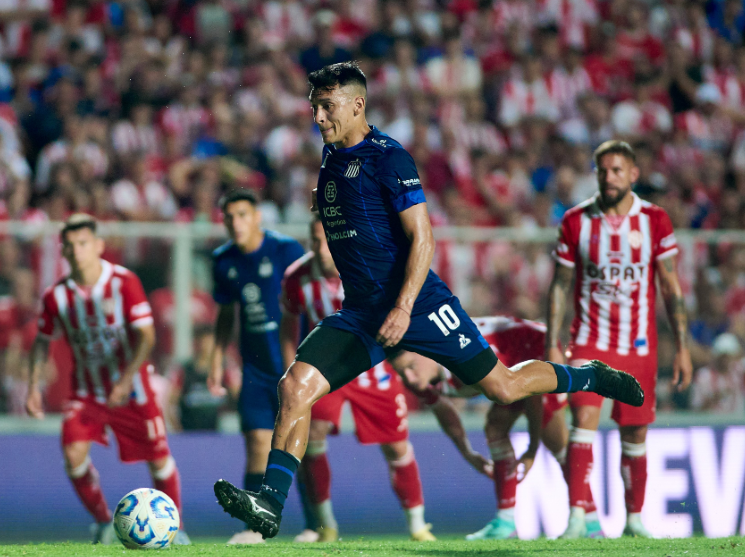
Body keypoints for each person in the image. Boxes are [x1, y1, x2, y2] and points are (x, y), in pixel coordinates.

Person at [213, 62, 644, 540]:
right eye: (314, 107)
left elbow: (424, 237)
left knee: (502, 387)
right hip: (360, 311)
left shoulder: (390, 157)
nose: (318, 117)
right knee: (295, 387)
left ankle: (590, 375)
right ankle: (270, 503)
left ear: (358, 105)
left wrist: (402, 307)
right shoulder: (332, 156)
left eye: (327, 106)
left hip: (416, 304)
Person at [282, 218, 476, 542]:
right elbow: (290, 323)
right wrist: (293, 365)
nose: (319, 249)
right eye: (313, 242)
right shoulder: (297, 278)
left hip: (373, 367)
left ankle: (418, 525)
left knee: (396, 444)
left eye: (324, 242)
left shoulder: (362, 262)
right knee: (313, 434)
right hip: (328, 368)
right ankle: (325, 525)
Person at [546, 140, 693, 539]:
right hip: (589, 340)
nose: (609, 177)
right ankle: (577, 518)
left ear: (633, 174)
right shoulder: (576, 220)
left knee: (636, 433)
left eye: (616, 170)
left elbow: (670, 285)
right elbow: (559, 285)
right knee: (583, 421)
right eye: (602, 170)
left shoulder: (655, 221)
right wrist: (552, 341)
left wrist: (681, 346)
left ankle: (634, 520)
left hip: (637, 346)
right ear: (595, 174)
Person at [25, 214, 188, 546]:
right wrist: (32, 387)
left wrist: (127, 379)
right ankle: (102, 522)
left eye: (83, 243)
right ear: (64, 252)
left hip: (133, 390)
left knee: (158, 458)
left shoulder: (123, 282)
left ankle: (176, 528)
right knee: (72, 453)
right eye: (69, 246)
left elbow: (146, 335)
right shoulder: (56, 296)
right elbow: (42, 340)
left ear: (99, 246)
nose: (77, 251)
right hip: (87, 393)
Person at [393, 316, 574, 540]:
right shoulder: (421, 377)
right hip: (510, 361)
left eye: (410, 367)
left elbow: (533, 397)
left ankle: (587, 516)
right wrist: (468, 453)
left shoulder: (464, 358)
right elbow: (445, 412)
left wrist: (532, 448)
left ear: (425, 351)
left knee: (554, 439)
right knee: (495, 429)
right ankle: (506, 522)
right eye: (402, 373)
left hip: (535, 345)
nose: (408, 378)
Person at [209, 189, 305, 544]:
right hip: (255, 369)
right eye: (229, 217)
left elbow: (307, 302)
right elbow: (225, 314)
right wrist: (217, 359)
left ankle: (315, 525)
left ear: (257, 217)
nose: (236, 223)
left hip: (294, 366)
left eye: (243, 215)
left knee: (299, 443)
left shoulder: (286, 251)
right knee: (256, 444)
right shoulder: (223, 261)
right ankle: (253, 529)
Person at [690, 333, 745, 414]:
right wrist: (715, 397)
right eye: (722, 356)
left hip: (737, 422)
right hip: (711, 422)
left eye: (728, 356)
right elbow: (696, 408)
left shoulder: (738, 372)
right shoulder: (703, 376)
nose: (725, 360)